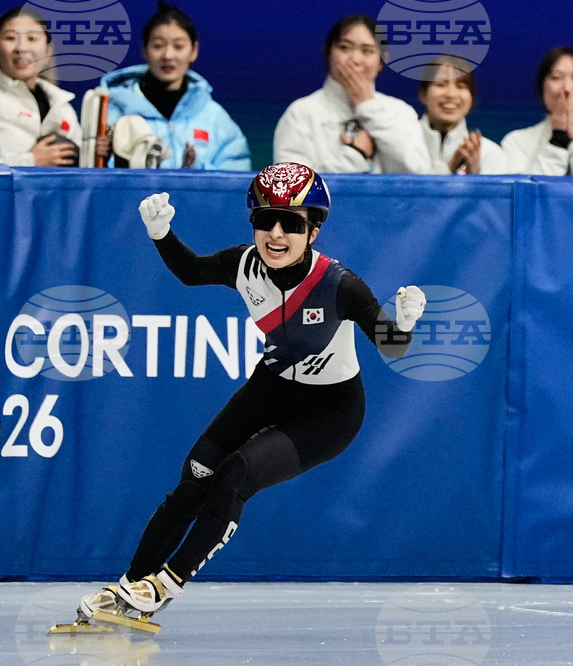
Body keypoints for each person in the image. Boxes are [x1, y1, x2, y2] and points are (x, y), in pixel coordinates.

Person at [71, 163, 426, 631]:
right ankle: (129, 586)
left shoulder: (340, 285)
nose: (276, 234)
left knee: (235, 474)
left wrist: (403, 325)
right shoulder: (243, 264)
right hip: (271, 386)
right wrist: (161, 235)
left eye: (292, 224)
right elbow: (191, 271)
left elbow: (391, 346)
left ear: (313, 230)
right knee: (193, 480)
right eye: (265, 220)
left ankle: (162, 588)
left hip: (331, 410)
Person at [97, 2, 250, 170]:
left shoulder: (214, 116)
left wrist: (195, 171)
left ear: (194, 51)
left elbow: (236, 175)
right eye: (158, 46)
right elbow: (92, 180)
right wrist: (107, 159)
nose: (168, 55)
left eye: (178, 46)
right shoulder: (113, 110)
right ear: (144, 50)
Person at [273, 14, 429, 174]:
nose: (355, 59)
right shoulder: (301, 113)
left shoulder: (400, 112)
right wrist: (355, 154)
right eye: (344, 48)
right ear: (327, 51)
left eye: (367, 51)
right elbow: (291, 188)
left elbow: (418, 173)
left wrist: (366, 103)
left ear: (382, 61)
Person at [0, 7, 81, 166]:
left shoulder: (63, 108)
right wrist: (30, 161)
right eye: (11, 37)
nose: (22, 48)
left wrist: (97, 154)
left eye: (32, 38)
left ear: (48, 52)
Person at [417, 57, 506, 175]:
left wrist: (474, 175)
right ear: (423, 94)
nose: (451, 94)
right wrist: (447, 169)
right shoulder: (402, 144)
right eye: (441, 84)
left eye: (461, 86)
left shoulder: (490, 153)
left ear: (472, 99)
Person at [502, 47, 573, 176]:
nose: (567, 88)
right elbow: (529, 194)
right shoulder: (517, 143)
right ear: (542, 87)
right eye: (556, 77)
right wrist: (558, 139)